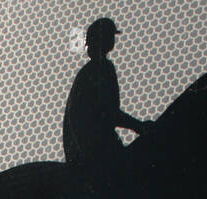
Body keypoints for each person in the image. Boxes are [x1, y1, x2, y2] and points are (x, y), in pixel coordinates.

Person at [62, 17, 151, 176]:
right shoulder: (103, 69)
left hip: (79, 149)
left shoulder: (86, 72)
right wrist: (140, 126)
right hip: (97, 148)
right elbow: (109, 113)